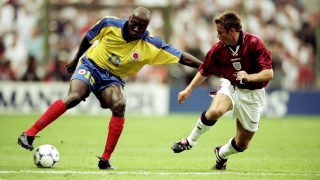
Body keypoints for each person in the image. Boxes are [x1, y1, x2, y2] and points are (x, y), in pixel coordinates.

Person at [17, 7, 202, 170]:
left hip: (112, 79)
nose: (136, 29)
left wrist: (207, 66)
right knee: (74, 97)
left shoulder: (151, 44)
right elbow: (88, 38)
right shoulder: (109, 23)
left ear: (147, 28)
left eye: (142, 26)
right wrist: (75, 59)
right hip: (90, 65)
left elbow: (182, 57)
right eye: (134, 23)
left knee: (119, 105)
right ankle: (29, 134)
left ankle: (105, 160)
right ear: (129, 18)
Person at [171, 11, 273, 170]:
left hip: (253, 95)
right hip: (231, 86)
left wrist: (249, 77)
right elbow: (204, 70)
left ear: (232, 30)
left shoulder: (254, 43)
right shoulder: (218, 49)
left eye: (220, 32)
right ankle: (190, 141)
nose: (217, 35)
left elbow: (269, 73)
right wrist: (188, 89)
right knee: (215, 111)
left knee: (242, 144)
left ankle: (222, 154)